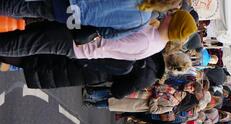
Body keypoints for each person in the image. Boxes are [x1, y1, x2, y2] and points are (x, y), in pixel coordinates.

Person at [0, 10, 197, 61]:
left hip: (78, 43)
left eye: (174, 15)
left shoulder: (148, 40)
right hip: (80, 38)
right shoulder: (154, 36)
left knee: (29, 42)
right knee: (30, 36)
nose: (169, 13)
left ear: (174, 23)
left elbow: (108, 43)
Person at [0, 0, 182, 39]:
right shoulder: (141, 21)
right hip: (77, 16)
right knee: (29, 9)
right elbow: (108, 35)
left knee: (25, 4)